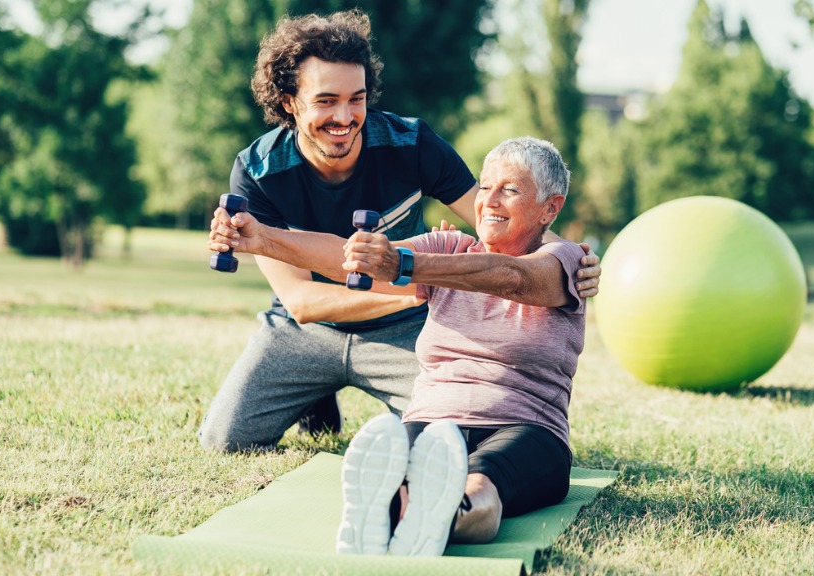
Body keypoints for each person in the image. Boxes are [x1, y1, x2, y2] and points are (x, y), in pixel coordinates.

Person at [197, 10, 600, 453]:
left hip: (406, 330)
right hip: (305, 332)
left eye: (356, 99)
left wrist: (565, 260)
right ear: (290, 101)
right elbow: (302, 302)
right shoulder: (257, 171)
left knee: (454, 444)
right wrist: (419, 285)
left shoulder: (412, 144)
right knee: (224, 440)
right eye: (326, 101)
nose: (345, 116)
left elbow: (502, 221)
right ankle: (313, 392)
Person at [208, 136, 585, 556]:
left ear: (550, 208)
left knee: (481, 481)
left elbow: (513, 277)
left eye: (510, 190)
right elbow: (349, 257)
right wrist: (262, 238)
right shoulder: (448, 248)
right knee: (396, 476)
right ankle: (391, 516)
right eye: (484, 186)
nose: (489, 200)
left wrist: (407, 265)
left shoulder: (566, 260)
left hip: (526, 426)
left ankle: (442, 518)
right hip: (434, 419)